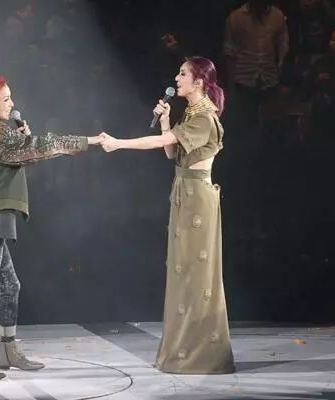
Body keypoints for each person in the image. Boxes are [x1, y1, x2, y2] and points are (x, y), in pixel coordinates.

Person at [0, 72, 102, 381]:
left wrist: (22, 142)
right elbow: (41, 146)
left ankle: (7, 350)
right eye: (6, 99)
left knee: (10, 285)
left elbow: (16, 157)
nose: (12, 104)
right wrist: (88, 141)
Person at [100, 57, 235, 374]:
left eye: (183, 73)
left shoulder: (204, 118)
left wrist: (119, 143)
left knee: (196, 274)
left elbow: (163, 143)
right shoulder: (191, 113)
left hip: (198, 197)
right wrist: (165, 120)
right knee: (181, 271)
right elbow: (172, 152)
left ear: (199, 82)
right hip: (184, 192)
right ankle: (181, 350)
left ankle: (202, 355)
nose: (177, 78)